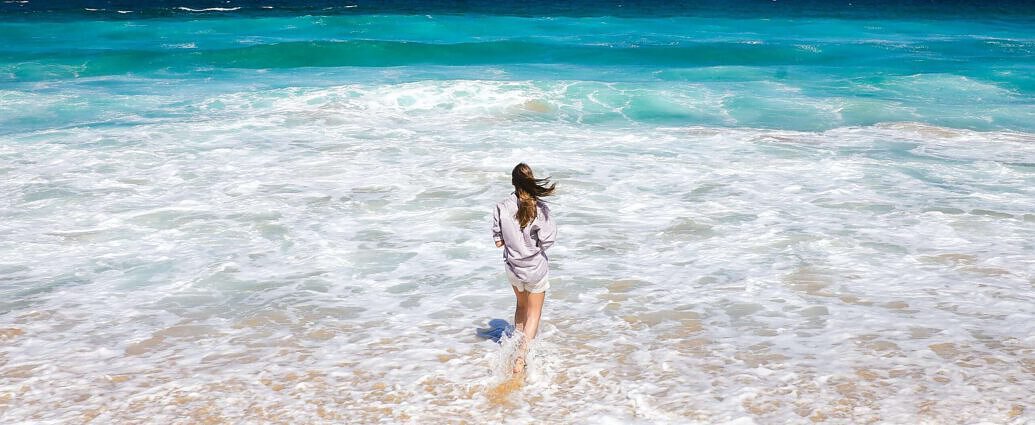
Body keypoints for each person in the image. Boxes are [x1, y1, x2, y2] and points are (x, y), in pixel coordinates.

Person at [491, 163, 557, 374]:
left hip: (513, 268)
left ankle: (512, 349)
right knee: (534, 313)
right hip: (535, 268)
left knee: (521, 307)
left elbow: (498, 242)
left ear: (513, 182)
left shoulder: (501, 206)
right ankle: (521, 357)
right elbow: (547, 241)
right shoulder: (540, 209)